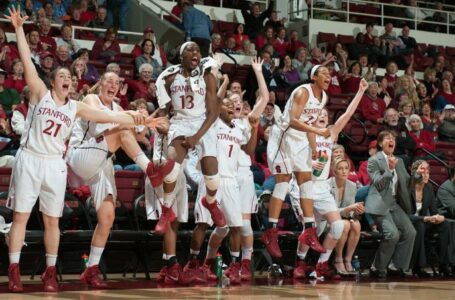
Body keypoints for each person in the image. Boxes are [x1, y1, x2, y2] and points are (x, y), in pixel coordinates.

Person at [4, 6, 151, 293]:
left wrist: (139, 118)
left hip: (55, 165)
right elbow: (25, 59)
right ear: (53, 81)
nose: (68, 80)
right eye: (63, 77)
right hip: (30, 158)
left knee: (52, 221)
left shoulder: (77, 106)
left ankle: (50, 272)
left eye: (70, 79)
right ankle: (14, 270)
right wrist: (19, 29)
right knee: (21, 216)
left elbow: (112, 118)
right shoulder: (39, 93)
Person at [66, 71, 171, 288]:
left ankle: (91, 270)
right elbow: (112, 122)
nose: (113, 85)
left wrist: (151, 122)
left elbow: (137, 134)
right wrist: (133, 116)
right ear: (100, 84)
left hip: (102, 161)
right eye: (109, 81)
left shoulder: (120, 109)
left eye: (117, 82)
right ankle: (150, 170)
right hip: (80, 156)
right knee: (122, 128)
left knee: (107, 218)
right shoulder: (90, 99)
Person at [288, 79, 368, 279]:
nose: (323, 115)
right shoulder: (300, 132)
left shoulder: (330, 134)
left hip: (322, 187)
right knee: (310, 228)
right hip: (303, 185)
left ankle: (320, 266)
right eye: (319, 113)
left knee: (339, 225)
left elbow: (348, 114)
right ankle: (299, 264)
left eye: (325, 114)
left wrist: (360, 91)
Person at [154, 42, 224, 236]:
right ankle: (166, 210)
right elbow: (163, 110)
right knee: (171, 169)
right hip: (180, 122)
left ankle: (209, 202)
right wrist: (161, 124)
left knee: (213, 179)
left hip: (203, 123)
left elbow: (213, 113)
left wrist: (196, 137)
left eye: (197, 50)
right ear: (181, 56)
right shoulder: (168, 78)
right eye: (190, 50)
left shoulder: (207, 75)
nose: (195, 52)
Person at [263, 65, 332, 259]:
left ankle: (309, 230)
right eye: (324, 73)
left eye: (329, 73)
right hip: (283, 138)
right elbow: (293, 120)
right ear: (314, 77)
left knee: (306, 181)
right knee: (283, 181)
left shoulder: (323, 98)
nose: (329, 75)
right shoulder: (303, 92)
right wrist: (319, 132)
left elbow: (309, 125)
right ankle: (270, 231)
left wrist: (313, 146)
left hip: (301, 140)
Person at [366, 130, 416, 279]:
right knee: (392, 235)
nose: (391, 140)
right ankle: (377, 267)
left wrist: (417, 177)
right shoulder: (374, 160)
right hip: (379, 203)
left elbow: (406, 181)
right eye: (387, 138)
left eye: (393, 138)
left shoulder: (398, 160)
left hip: (394, 203)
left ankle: (396, 266)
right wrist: (390, 169)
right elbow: (379, 183)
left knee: (410, 232)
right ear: (381, 143)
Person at [408, 160, 452, 277]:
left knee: (446, 224)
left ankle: (444, 264)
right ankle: (418, 266)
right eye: (423, 170)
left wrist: (438, 217)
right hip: (409, 223)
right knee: (420, 225)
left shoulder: (428, 188)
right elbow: (406, 216)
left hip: (424, 221)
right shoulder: (407, 187)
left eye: (428, 170)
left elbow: (434, 212)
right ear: (414, 172)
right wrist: (426, 218)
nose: (426, 173)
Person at [329, 157, 364, 275]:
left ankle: (348, 259)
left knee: (357, 225)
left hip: (343, 217)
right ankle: (338, 259)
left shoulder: (352, 186)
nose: (344, 171)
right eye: (340, 168)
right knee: (345, 225)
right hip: (327, 219)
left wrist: (356, 211)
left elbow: (349, 210)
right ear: (334, 171)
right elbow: (329, 210)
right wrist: (349, 209)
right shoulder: (327, 185)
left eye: (346, 168)